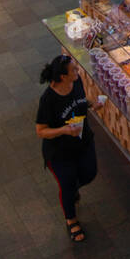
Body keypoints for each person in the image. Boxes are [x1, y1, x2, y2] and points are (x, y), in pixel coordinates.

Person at [35, 55, 103, 244]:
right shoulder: (48, 100)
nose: (78, 71)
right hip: (60, 152)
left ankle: (73, 188)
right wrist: (63, 130)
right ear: (62, 77)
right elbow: (41, 131)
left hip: (83, 141)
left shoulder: (76, 81)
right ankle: (71, 220)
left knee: (90, 173)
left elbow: (81, 100)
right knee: (67, 186)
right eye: (73, 70)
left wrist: (92, 105)